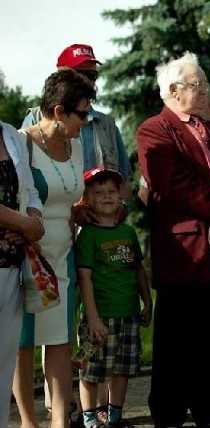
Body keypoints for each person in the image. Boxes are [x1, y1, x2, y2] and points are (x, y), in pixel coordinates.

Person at [136, 52, 210, 428]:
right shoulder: (154, 130)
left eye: (206, 84)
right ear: (173, 90)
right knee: (177, 340)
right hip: (185, 251)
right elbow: (174, 186)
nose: (207, 91)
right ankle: (169, 417)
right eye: (198, 85)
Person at [13, 68, 96, 428]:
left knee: (60, 339)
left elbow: (69, 195)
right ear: (59, 112)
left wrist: (79, 210)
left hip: (64, 254)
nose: (87, 119)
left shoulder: (77, 144)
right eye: (82, 113)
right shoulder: (22, 143)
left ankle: (60, 421)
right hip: (28, 258)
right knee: (24, 344)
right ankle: (29, 422)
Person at [74, 167, 152, 428]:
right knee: (91, 370)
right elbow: (85, 278)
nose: (107, 196)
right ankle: (89, 418)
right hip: (100, 318)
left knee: (123, 369)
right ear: (87, 200)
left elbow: (138, 269)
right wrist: (93, 318)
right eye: (98, 192)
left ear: (120, 195)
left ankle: (115, 416)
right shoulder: (88, 236)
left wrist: (148, 302)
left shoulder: (128, 232)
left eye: (111, 191)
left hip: (128, 314)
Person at [23, 43, 132, 205]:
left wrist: (117, 211)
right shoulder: (34, 120)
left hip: (100, 223)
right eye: (80, 74)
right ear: (61, 76)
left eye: (93, 75)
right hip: (48, 220)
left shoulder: (108, 125)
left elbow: (123, 183)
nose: (87, 81)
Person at [0, 120, 44, 427]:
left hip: (11, 263)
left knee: (4, 362)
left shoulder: (11, 135)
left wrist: (34, 222)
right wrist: (22, 223)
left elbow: (29, 192)